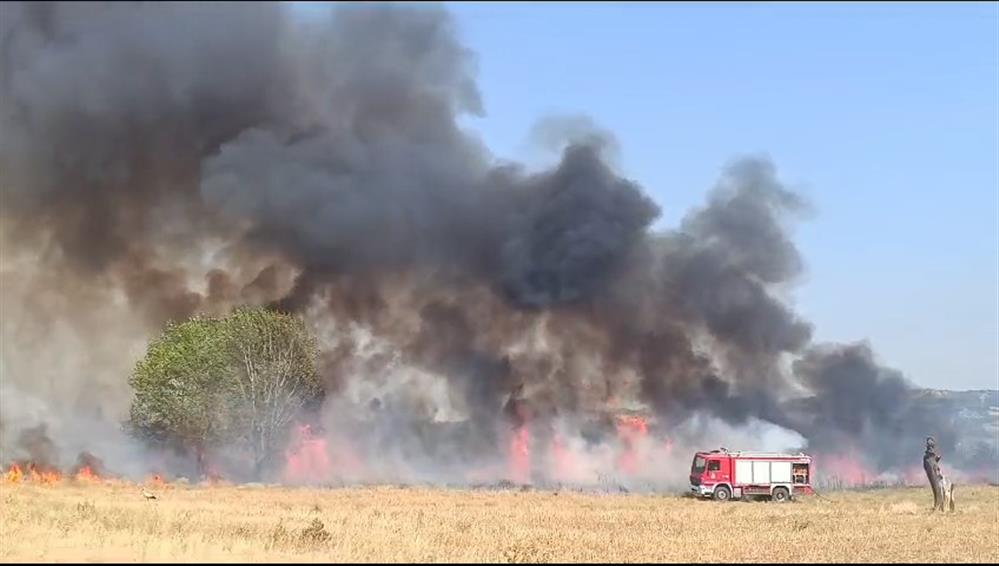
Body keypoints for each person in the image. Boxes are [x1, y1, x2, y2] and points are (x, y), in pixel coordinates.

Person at [923, 436, 943, 511]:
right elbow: (930, 466)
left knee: (938, 490)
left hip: (934, 474)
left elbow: (932, 465)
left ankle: (938, 505)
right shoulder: (928, 458)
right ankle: (938, 505)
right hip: (933, 475)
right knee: (937, 489)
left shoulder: (929, 457)